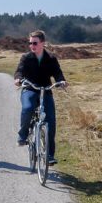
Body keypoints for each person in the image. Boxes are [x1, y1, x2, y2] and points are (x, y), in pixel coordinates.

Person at [13, 30, 68, 165]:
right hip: (29, 89)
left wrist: (61, 81)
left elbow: (57, 73)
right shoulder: (26, 58)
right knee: (28, 107)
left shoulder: (51, 58)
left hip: (46, 90)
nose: (32, 45)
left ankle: (49, 155)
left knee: (50, 121)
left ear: (43, 43)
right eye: (30, 43)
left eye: (35, 43)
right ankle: (23, 135)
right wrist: (18, 79)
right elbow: (19, 70)